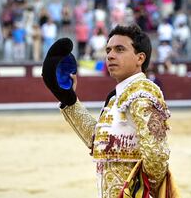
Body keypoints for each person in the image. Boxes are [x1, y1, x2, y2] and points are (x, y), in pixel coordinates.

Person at [42, 24, 176, 197]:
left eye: (120, 49)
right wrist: (70, 101)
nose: (110, 55)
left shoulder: (142, 94)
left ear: (140, 58)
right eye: (108, 50)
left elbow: (156, 155)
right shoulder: (116, 98)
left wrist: (142, 192)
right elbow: (98, 141)